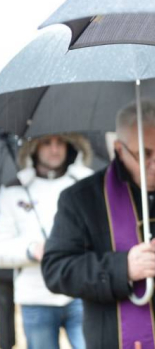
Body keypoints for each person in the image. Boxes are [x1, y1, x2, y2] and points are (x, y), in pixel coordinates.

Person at [42, 100, 155, 349]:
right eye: (144, 154)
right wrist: (121, 268)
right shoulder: (82, 199)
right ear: (119, 149)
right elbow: (56, 270)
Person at [0, 133, 93, 349]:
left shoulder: (84, 183)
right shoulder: (13, 190)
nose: (54, 149)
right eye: (47, 143)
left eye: (60, 142)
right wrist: (31, 250)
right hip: (35, 299)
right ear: (33, 147)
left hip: (81, 292)